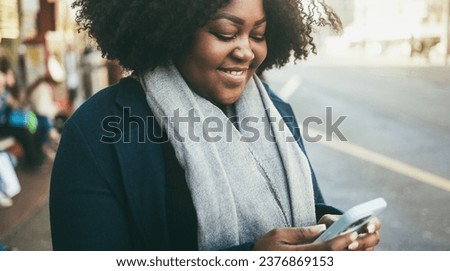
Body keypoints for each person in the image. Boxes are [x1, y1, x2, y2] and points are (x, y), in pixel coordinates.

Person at [50, 0, 382, 251]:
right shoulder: (97, 132)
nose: (246, 52)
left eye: (258, 35)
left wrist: (328, 230)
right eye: (226, 33)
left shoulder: (277, 111)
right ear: (174, 28)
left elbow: (304, 208)